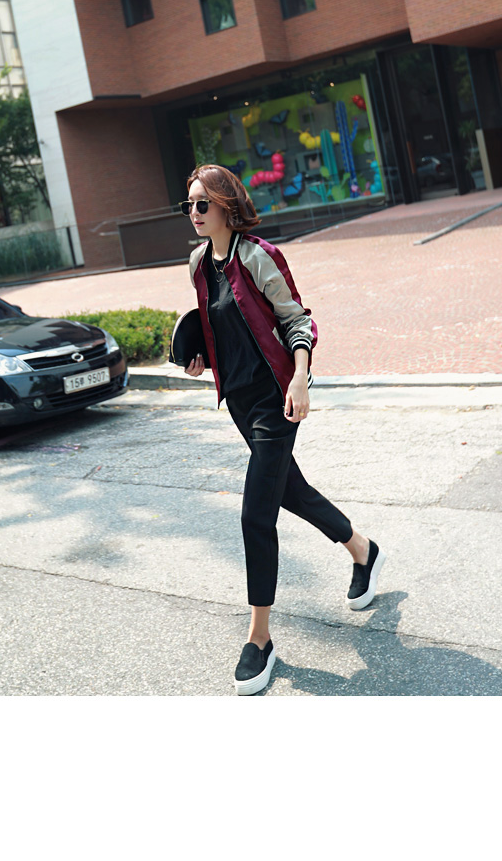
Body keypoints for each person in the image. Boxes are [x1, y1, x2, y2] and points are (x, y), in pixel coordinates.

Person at [181, 164, 385, 696]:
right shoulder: (199, 264)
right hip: (240, 403)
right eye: (189, 205)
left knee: (256, 514)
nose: (194, 213)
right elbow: (220, 329)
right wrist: (201, 359)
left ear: (226, 205)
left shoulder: (259, 256)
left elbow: (298, 320)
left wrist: (300, 379)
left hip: (276, 398)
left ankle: (260, 638)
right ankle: (364, 550)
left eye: (202, 203)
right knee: (289, 489)